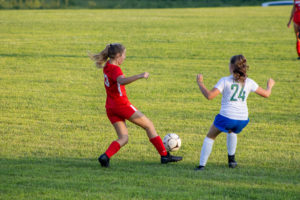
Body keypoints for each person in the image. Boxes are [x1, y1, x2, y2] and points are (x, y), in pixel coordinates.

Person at [89, 43, 182, 167]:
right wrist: (140, 75)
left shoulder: (107, 66)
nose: (125, 57)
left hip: (110, 107)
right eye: (124, 55)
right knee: (149, 125)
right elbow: (121, 80)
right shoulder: (115, 69)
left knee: (124, 138)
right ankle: (164, 156)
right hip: (121, 105)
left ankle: (105, 157)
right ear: (118, 56)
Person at [195, 55, 275, 171]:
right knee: (232, 130)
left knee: (210, 136)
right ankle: (232, 160)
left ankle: (201, 166)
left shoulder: (225, 81)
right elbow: (267, 94)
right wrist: (270, 85)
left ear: (232, 67)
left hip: (227, 117)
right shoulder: (249, 82)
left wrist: (200, 83)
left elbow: (209, 96)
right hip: (243, 119)